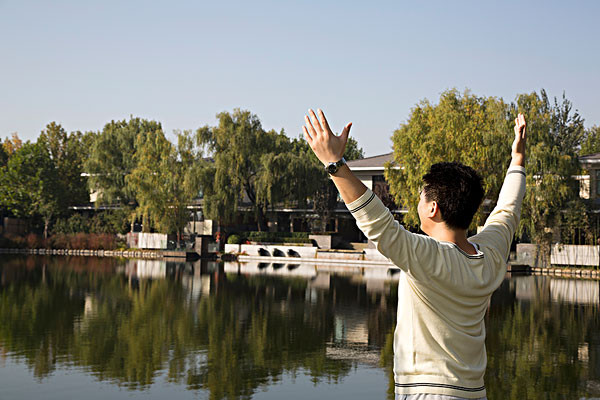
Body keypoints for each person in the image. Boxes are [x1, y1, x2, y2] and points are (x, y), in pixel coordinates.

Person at [302, 109, 527, 400]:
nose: (417, 202)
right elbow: (508, 211)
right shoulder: (490, 255)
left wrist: (335, 164)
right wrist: (517, 160)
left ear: (433, 208)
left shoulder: (428, 256)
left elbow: (378, 223)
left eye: (421, 197)